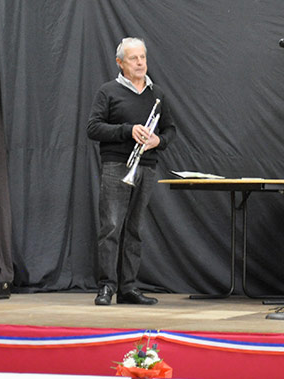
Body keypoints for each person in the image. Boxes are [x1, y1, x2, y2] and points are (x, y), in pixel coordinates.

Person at [87, 37, 176, 306]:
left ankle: (127, 288)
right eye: (133, 58)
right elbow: (93, 128)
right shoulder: (108, 91)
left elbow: (170, 129)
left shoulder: (157, 94)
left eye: (142, 58)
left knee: (134, 229)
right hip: (117, 165)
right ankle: (106, 287)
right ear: (120, 63)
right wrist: (128, 130)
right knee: (111, 227)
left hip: (146, 166)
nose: (140, 63)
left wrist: (158, 141)